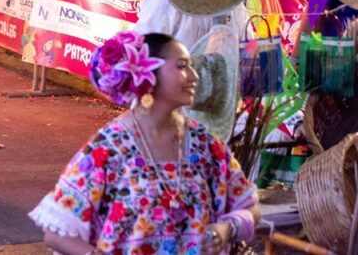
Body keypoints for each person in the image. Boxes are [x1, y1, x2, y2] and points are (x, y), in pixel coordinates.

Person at [30, 32, 258, 253]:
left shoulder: (204, 144)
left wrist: (227, 228)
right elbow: (55, 234)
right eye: (181, 66)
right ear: (149, 73)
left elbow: (249, 206)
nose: (193, 75)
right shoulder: (109, 149)